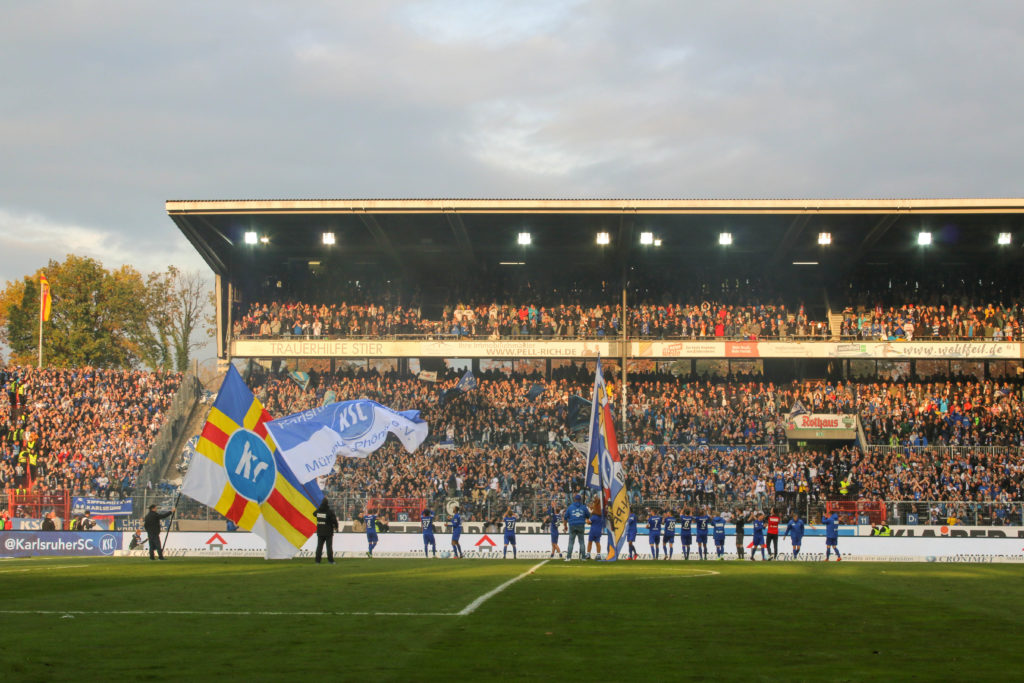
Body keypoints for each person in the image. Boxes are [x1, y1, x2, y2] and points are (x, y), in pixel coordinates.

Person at [563, 494, 589, 561]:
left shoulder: (570, 507)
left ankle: (568, 557)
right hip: (581, 525)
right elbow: (588, 515)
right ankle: (583, 557)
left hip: (572, 525)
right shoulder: (583, 507)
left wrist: (565, 526)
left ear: (574, 500)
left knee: (571, 542)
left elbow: (565, 517)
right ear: (580, 500)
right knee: (582, 542)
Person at [314, 498, 338, 564]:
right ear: (327, 503)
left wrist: (319, 509)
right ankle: (330, 560)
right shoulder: (329, 512)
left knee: (319, 547)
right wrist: (336, 527)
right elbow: (334, 520)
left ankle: (317, 561)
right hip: (328, 532)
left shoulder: (318, 511)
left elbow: (314, 514)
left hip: (320, 531)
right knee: (329, 547)